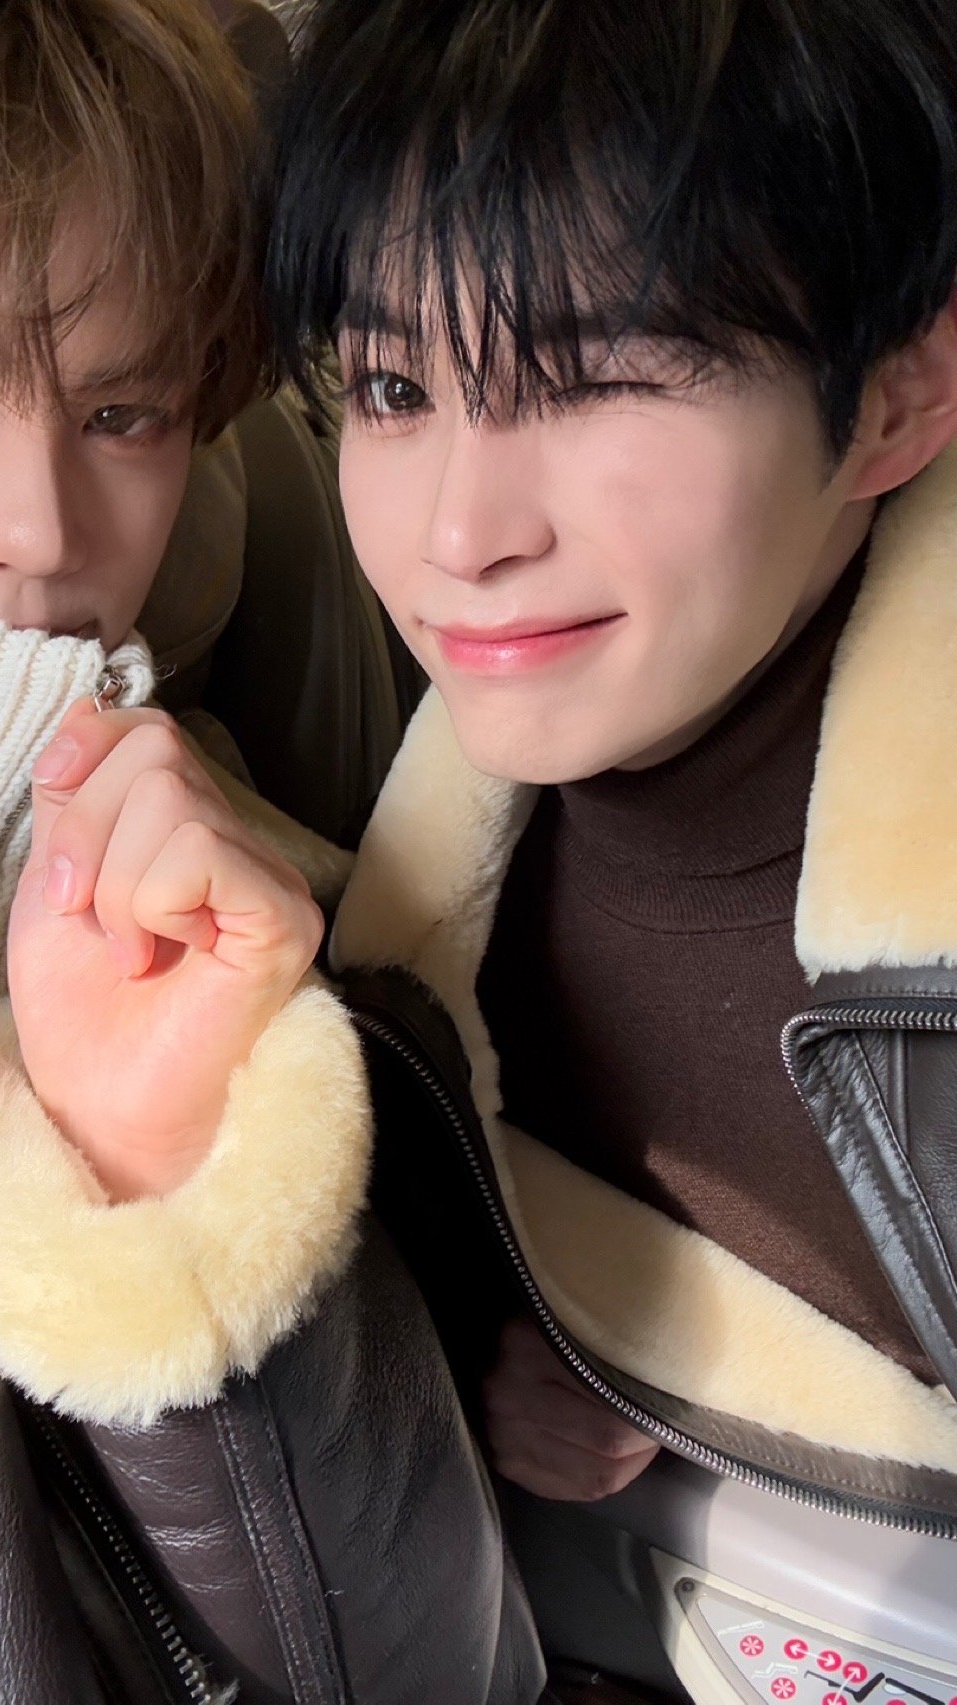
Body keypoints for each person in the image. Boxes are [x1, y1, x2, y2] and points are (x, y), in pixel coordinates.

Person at [0, 0, 541, 1696]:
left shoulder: (215, 827)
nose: (42, 528)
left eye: (124, 415)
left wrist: (180, 1170)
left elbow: (430, 1660)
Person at [258, 0, 957, 1691]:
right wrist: (555, 1351)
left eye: (597, 378)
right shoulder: (402, 916)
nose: (459, 533)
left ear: (897, 396)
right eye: (393, 387)